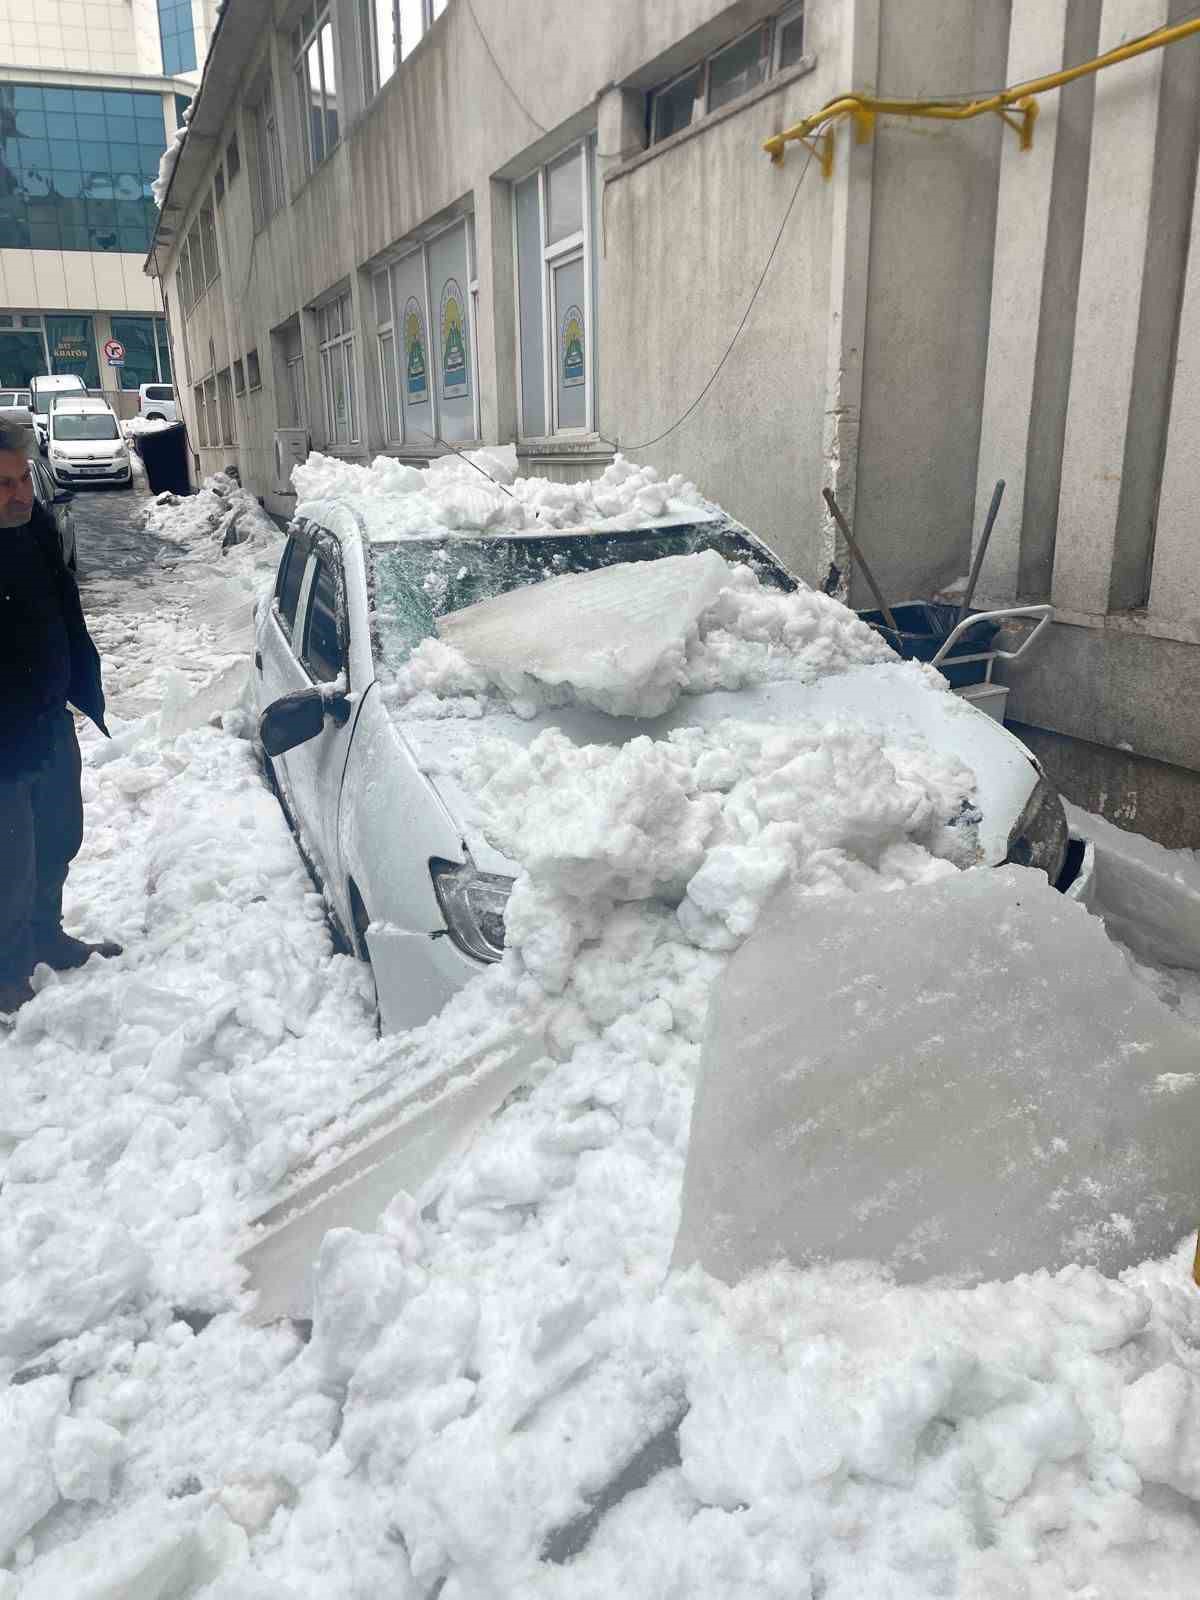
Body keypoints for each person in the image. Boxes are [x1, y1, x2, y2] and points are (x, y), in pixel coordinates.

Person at [0, 418, 121, 1012]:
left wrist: (77, 682)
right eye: (4, 485)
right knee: (9, 863)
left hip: (48, 718)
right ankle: (6, 970)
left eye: (24, 478)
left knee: (58, 836)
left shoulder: (36, 529)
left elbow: (64, 609)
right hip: (3, 739)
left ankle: (46, 936)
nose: (21, 493)